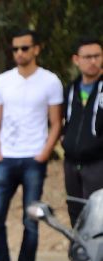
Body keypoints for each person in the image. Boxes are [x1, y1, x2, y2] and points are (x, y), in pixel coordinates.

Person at [0, 29, 63, 261]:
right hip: (6, 159)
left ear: (36, 49)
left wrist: (44, 153)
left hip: (33, 159)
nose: (19, 53)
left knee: (31, 220)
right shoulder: (2, 81)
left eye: (25, 48)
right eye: (15, 49)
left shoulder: (50, 81)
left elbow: (56, 123)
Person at [62, 37, 103, 226]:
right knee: (76, 214)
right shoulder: (71, 90)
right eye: (87, 57)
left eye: (97, 56)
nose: (93, 61)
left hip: (97, 163)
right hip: (72, 163)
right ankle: (78, 245)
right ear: (76, 60)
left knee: (97, 215)